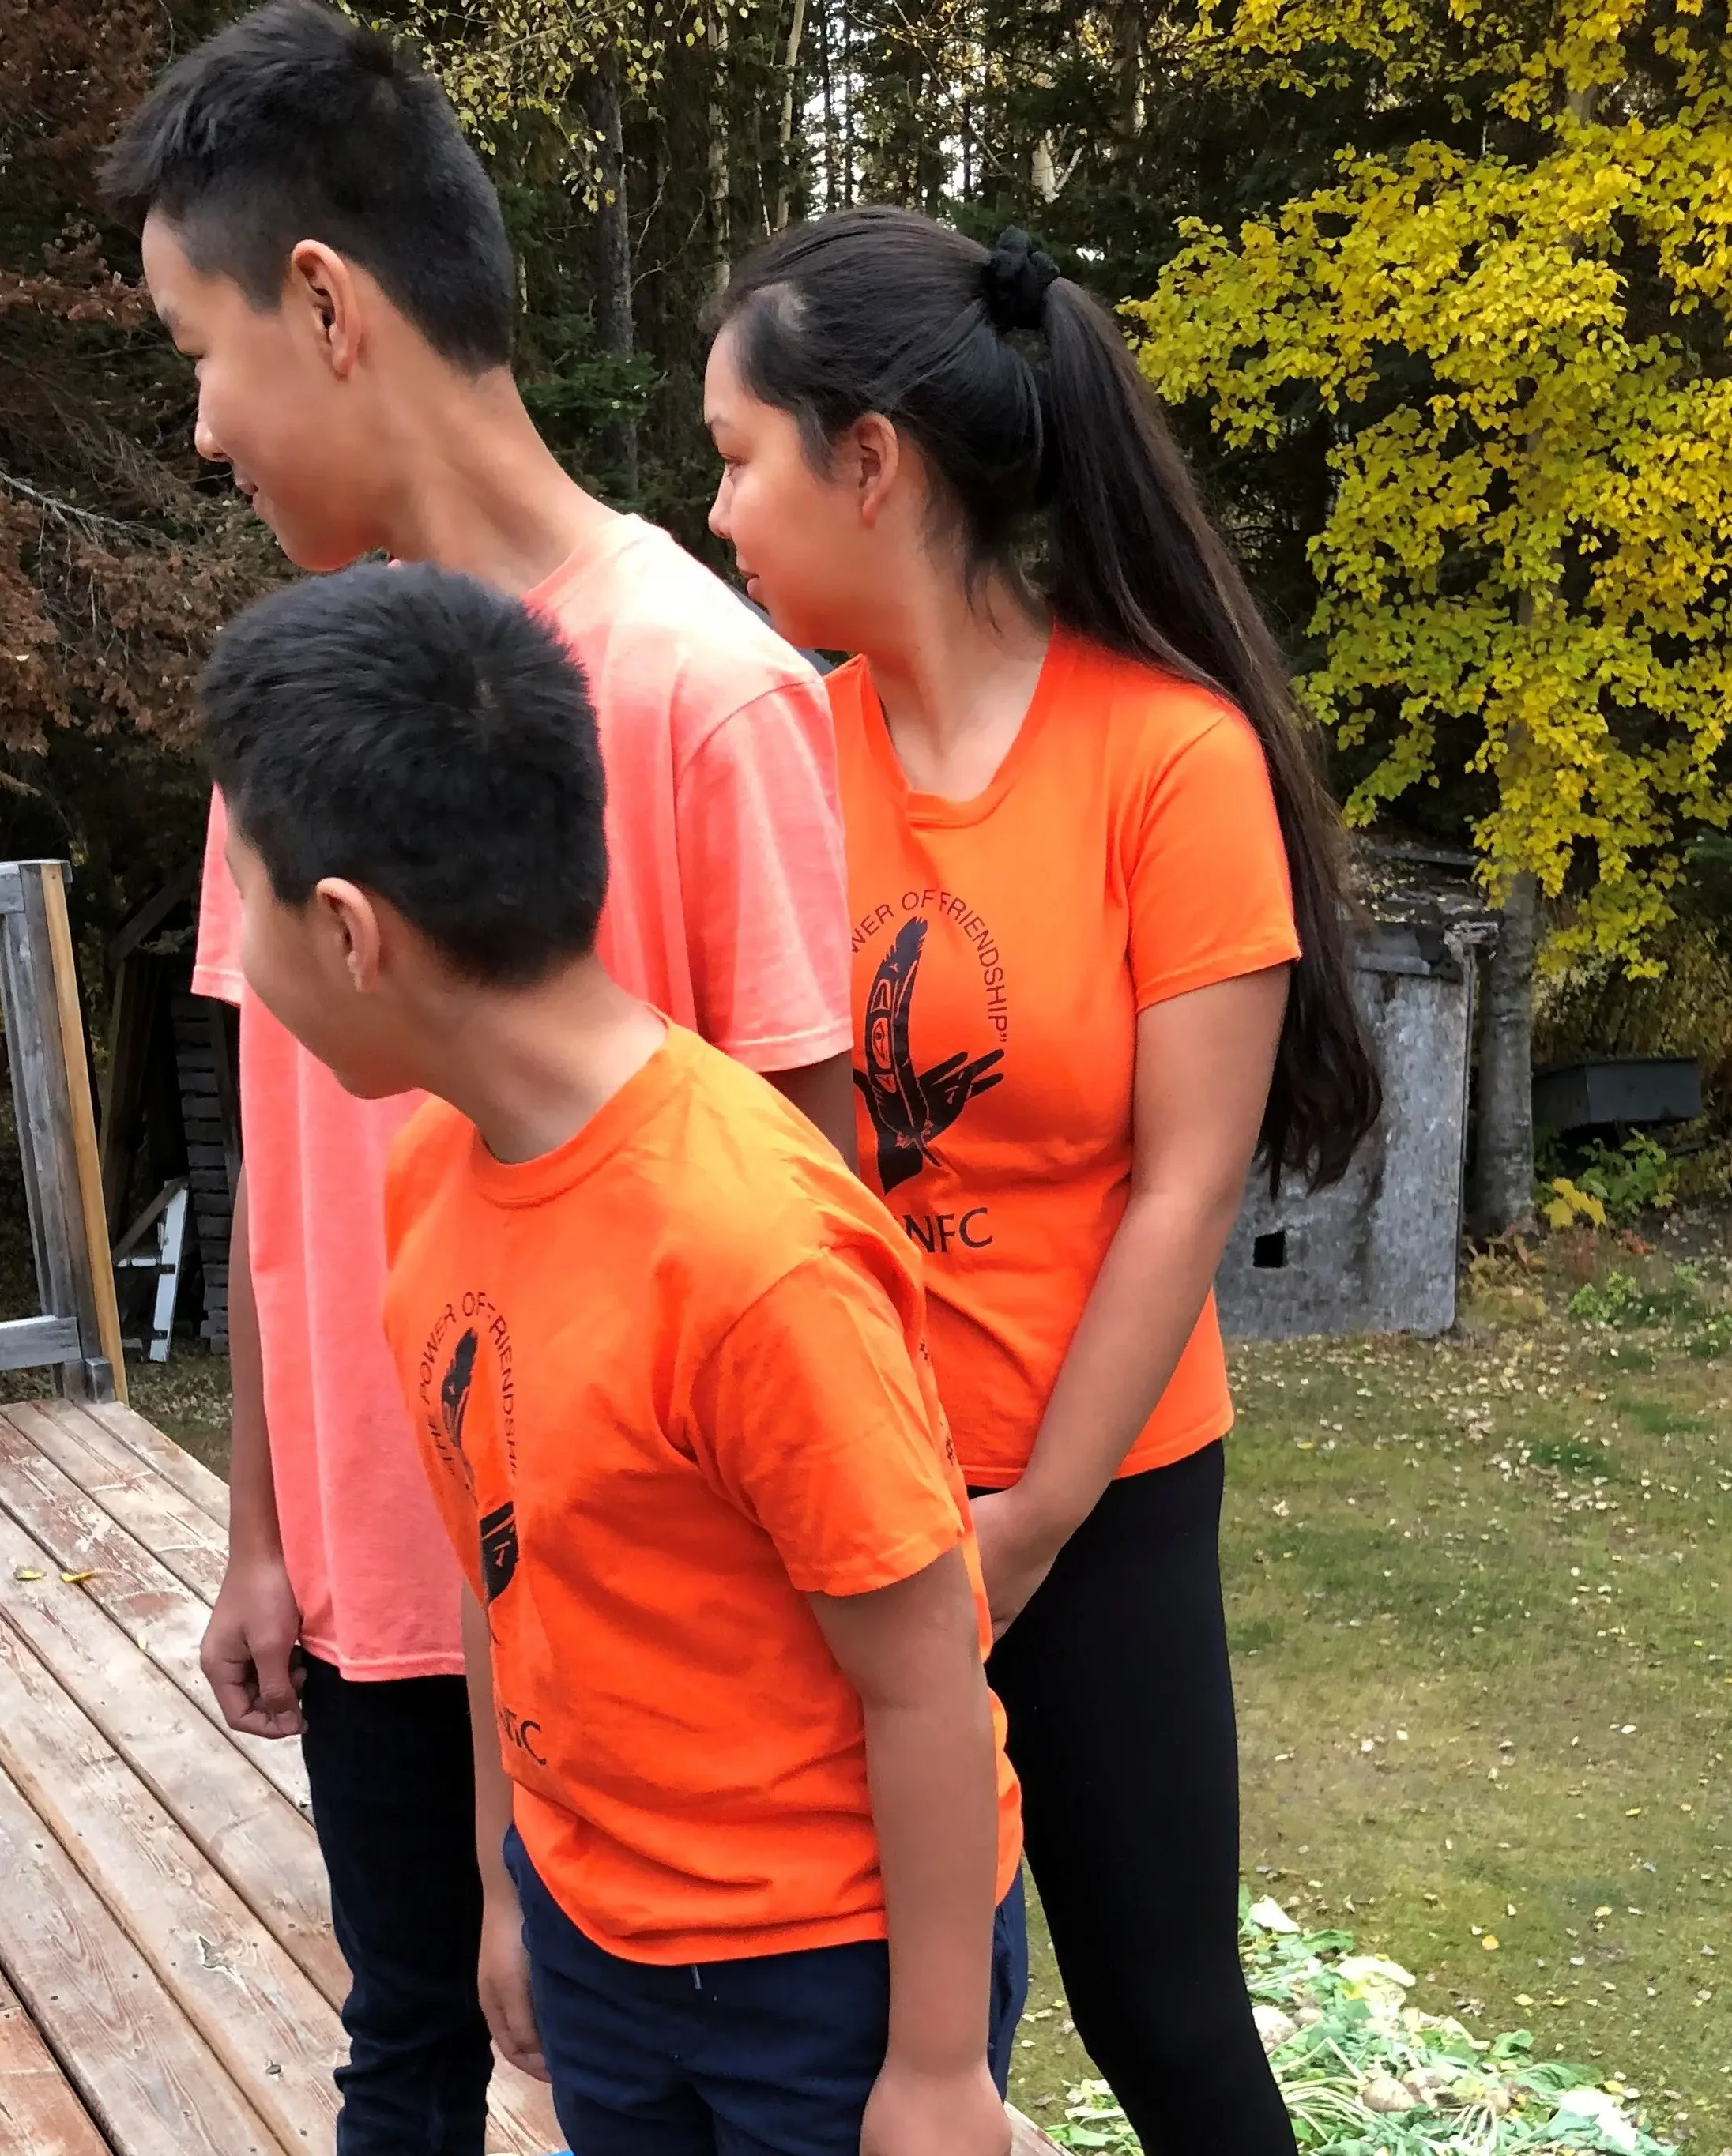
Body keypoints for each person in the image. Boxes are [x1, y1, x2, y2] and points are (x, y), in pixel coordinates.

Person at [100, 12, 853, 2150]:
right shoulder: (298, 706)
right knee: (403, 2055)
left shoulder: (708, 701)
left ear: (321, 305)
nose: (204, 433)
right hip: (370, 1572)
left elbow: (818, 1229)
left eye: (199, 350)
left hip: (638, 1637)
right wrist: (265, 1531)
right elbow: (280, 1159)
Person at [702, 206, 1384, 2156]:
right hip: (828, 1493)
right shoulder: (771, 753)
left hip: (1094, 1501)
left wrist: (1029, 1522)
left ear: (869, 459)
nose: (719, 512)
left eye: (738, 454)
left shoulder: (1169, 759)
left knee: (1164, 2025)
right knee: (857, 2041)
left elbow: (1184, 1183)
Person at [197, 559, 1028, 2156]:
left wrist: (934, 2072)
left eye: (246, 902)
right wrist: (510, 1885)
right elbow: (499, 1554)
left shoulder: (750, 1250)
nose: (242, 959)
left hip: (832, 1969)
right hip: (602, 1937)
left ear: (350, 933)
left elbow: (927, 1678)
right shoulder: (432, 1179)